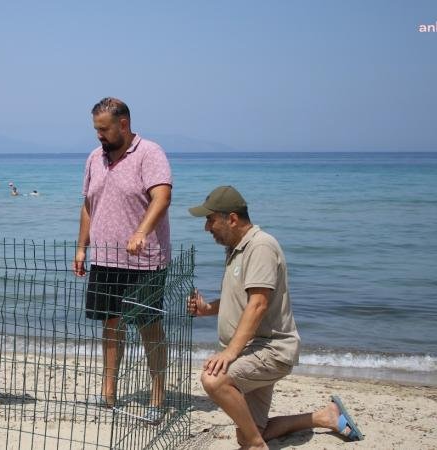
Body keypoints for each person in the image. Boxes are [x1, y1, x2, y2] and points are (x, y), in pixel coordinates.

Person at [187, 186, 364, 449]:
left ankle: (258, 447)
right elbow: (242, 300)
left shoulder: (261, 246)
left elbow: (258, 304)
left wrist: (230, 353)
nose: (206, 227)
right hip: (252, 349)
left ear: (232, 219)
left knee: (214, 379)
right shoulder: (236, 249)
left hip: (270, 350)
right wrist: (207, 310)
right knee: (247, 433)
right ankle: (325, 416)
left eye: (210, 219)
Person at [72, 97, 171, 425]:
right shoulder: (93, 158)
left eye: (103, 129)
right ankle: (108, 393)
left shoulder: (149, 153)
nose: (98, 135)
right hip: (104, 258)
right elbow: (88, 205)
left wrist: (141, 232)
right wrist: (81, 247)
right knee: (110, 324)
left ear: (123, 125)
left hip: (145, 260)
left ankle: (158, 396)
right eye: (95, 129)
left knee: (148, 326)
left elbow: (162, 196)